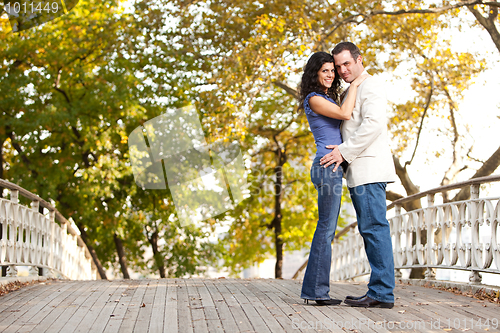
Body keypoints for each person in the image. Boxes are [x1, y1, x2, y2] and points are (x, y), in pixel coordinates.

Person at [320, 42, 398, 308]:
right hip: (359, 171)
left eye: (346, 64)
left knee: (374, 229)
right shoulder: (352, 89)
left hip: (369, 170)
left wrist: (343, 151)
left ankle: (382, 293)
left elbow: (373, 125)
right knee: (370, 230)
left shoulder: (371, 86)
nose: (342, 70)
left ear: (359, 59)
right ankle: (379, 290)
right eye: (338, 65)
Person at [298, 51, 368, 305]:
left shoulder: (327, 96)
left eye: (332, 70)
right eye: (325, 70)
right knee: (326, 229)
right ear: (315, 73)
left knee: (326, 228)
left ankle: (314, 290)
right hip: (326, 166)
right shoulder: (314, 98)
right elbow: (345, 114)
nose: (330, 75)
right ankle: (317, 292)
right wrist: (357, 83)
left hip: (332, 167)